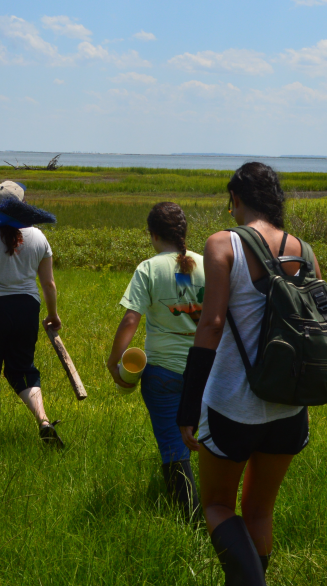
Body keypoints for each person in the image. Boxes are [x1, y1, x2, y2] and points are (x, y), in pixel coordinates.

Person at [177, 162, 322, 585]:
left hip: (232, 406)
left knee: (218, 507)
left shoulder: (224, 245)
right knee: (259, 511)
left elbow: (211, 324)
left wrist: (188, 404)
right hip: (290, 407)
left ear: (236, 199)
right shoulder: (305, 250)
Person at [107, 202, 205, 517]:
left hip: (163, 372)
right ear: (183, 233)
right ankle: (218, 512)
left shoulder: (148, 268)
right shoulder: (208, 265)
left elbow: (131, 321)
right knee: (210, 442)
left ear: (153, 235)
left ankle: (189, 518)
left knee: (173, 448)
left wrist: (113, 361)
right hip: (208, 369)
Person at [0, 180, 65, 447]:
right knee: (22, 370)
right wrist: (53, 314)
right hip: (26, 309)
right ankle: (43, 421)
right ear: (23, 204)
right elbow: (48, 284)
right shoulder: (39, 237)